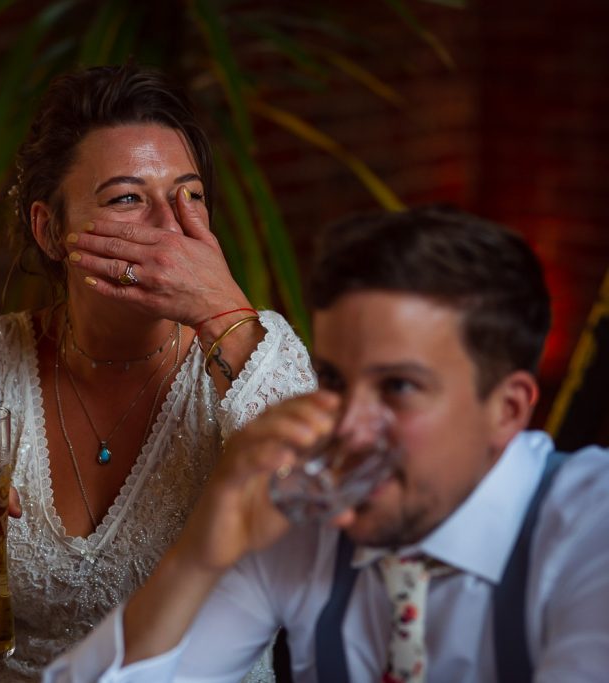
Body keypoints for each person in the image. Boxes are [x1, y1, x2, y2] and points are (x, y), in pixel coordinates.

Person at [43, 206, 609, 683]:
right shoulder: (307, 517)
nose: (350, 427)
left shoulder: (590, 527)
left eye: (399, 387)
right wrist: (200, 556)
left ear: (506, 409)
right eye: (336, 381)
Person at [0, 65, 316, 682]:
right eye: (126, 198)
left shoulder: (257, 354)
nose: (171, 226)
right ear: (51, 230)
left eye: (190, 195)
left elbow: (310, 535)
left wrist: (219, 308)